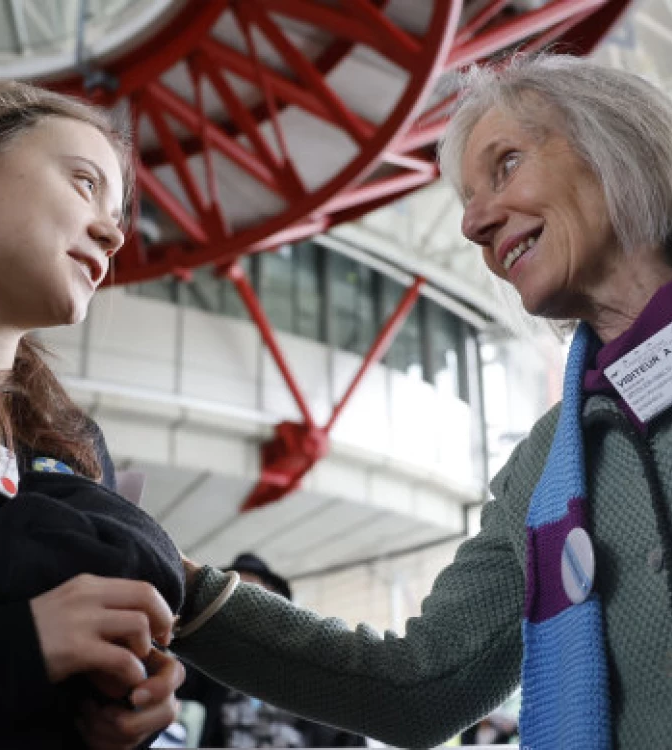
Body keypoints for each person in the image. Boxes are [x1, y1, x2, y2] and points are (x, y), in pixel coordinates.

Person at [170, 54, 672, 750]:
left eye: (506, 164)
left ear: (617, 146)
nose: (472, 223)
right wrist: (177, 585)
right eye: (468, 198)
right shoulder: (543, 470)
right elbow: (421, 685)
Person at [0, 81, 187, 749]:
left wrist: (119, 707)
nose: (113, 230)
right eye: (83, 183)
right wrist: (23, 641)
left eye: (119, 211)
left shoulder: (73, 448)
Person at [177, 553, 366, 748]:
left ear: (274, 603)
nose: (239, 608)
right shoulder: (212, 667)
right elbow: (175, 680)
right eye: (230, 597)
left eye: (252, 593)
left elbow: (348, 734)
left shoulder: (308, 667)